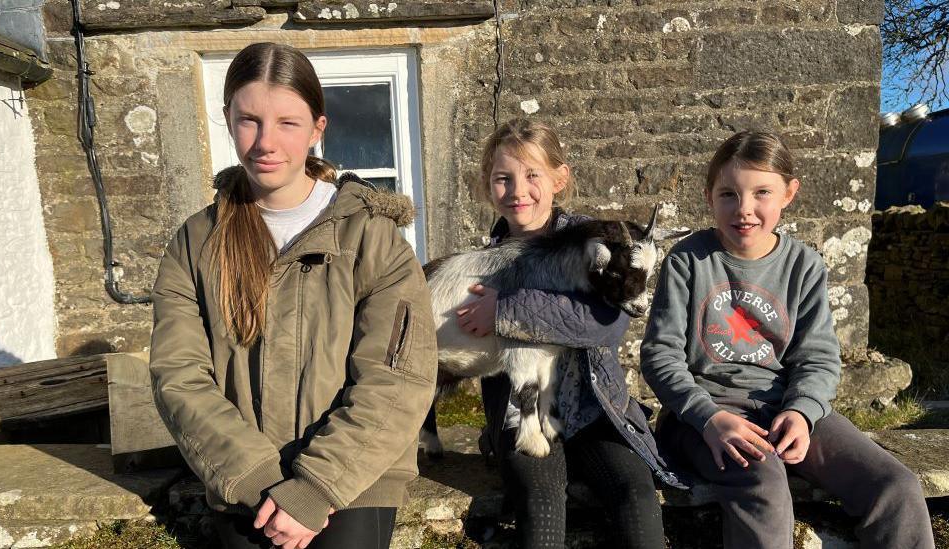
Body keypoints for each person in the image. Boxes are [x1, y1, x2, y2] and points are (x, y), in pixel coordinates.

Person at [149, 42, 436, 549]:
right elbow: (179, 376)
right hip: (242, 485)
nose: (265, 141)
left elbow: (397, 377)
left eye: (287, 122)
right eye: (248, 120)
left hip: (352, 483)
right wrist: (259, 481)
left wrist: (313, 489)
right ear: (226, 118)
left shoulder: (371, 238)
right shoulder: (195, 244)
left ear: (317, 128)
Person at [640, 130, 935, 548]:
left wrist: (802, 411)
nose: (744, 209)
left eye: (762, 192)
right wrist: (708, 417)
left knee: (896, 486)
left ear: (788, 193)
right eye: (728, 194)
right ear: (709, 197)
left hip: (785, 408)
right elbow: (660, 356)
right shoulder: (689, 260)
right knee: (764, 485)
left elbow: (817, 357)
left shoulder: (804, 265)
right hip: (705, 417)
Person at [458, 117, 682, 548]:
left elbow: (606, 322)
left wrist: (506, 311)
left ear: (560, 178)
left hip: (595, 410)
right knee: (540, 503)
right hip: (521, 415)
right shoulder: (481, 265)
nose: (518, 190)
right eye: (502, 178)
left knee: (635, 494)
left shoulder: (601, 241)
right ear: (488, 185)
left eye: (531, 175)